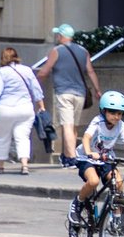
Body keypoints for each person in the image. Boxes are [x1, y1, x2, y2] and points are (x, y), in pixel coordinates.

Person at [67, 91, 124, 224]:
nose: (116, 117)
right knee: (93, 181)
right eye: (112, 112)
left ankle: (116, 215)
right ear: (103, 111)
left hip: (106, 158)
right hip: (86, 158)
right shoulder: (97, 122)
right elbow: (86, 138)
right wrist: (89, 152)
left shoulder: (121, 126)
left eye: (120, 113)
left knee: (119, 182)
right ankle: (77, 203)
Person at [37, 23, 101, 166]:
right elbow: (90, 71)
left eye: (58, 35)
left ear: (61, 36)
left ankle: (72, 157)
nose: (57, 37)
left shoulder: (56, 51)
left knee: (66, 125)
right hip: (80, 94)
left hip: (64, 93)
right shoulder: (83, 51)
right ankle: (67, 155)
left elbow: (44, 71)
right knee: (73, 127)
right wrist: (97, 90)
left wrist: (35, 84)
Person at [0, 47, 45, 175]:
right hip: (25, 108)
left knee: (2, 138)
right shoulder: (27, 70)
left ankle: (0, 166)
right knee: (23, 138)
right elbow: (36, 89)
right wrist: (41, 106)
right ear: (16, 56)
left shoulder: (1, 72)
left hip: (5, 109)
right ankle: (24, 166)